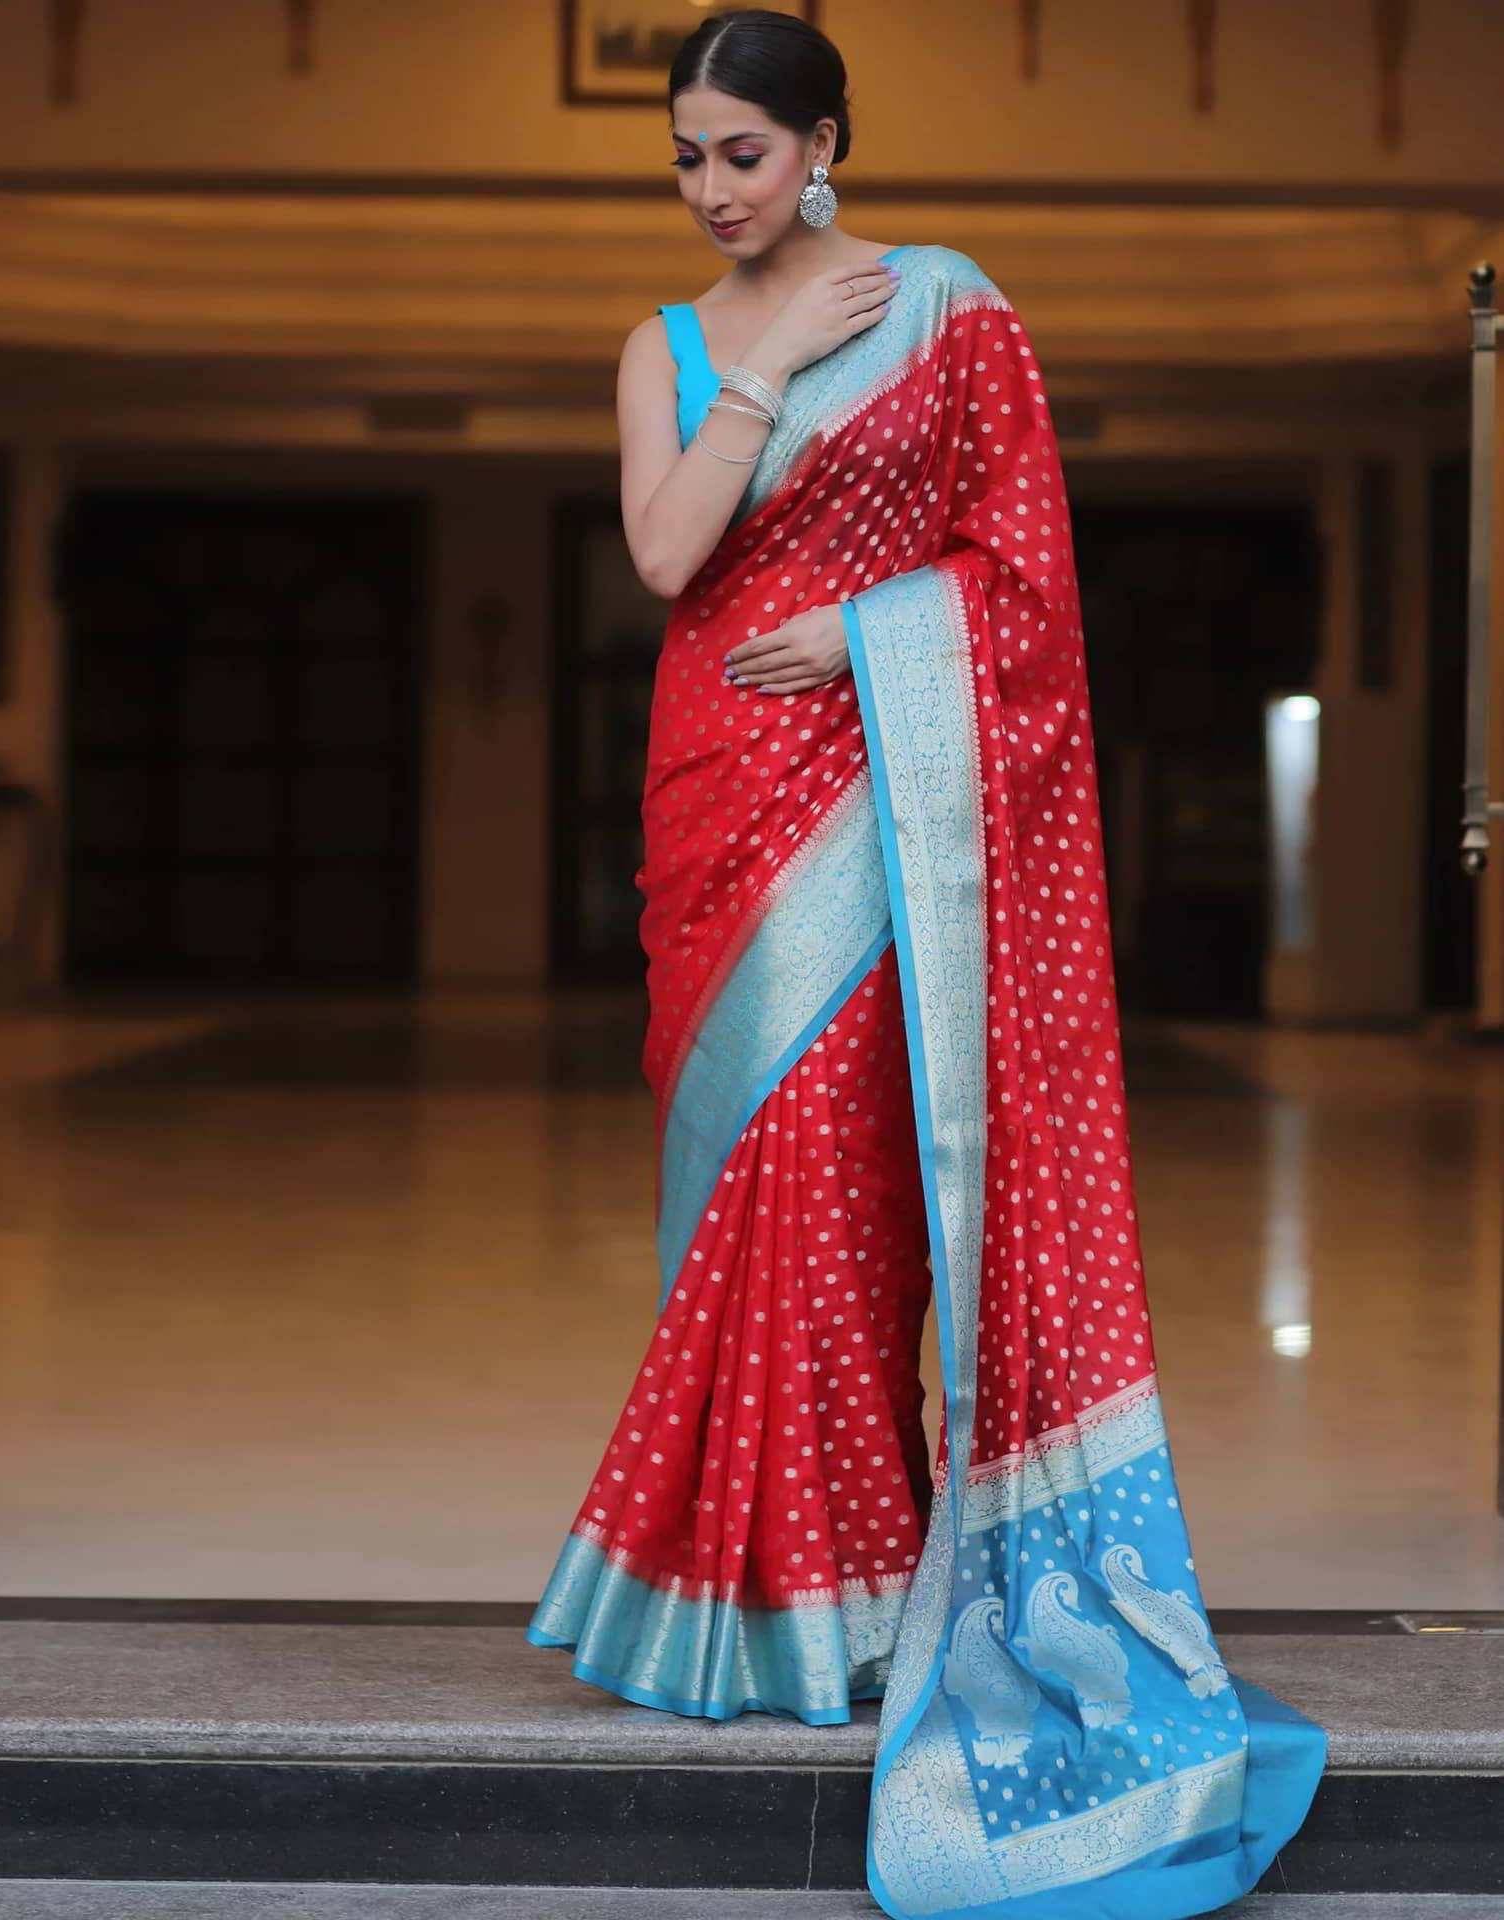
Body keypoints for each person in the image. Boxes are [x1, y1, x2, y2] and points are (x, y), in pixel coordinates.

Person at [527, 11, 1326, 1915]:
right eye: (687, 159)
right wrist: (770, 364)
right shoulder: (668, 344)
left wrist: (876, 634)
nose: (714, 189)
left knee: (854, 1189)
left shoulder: (953, 305)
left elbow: (1024, 570)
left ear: (827, 143)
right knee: (739, 1186)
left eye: (744, 151)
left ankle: (870, 1592)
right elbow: (662, 557)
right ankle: (728, 1606)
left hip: (890, 800)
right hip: (723, 787)